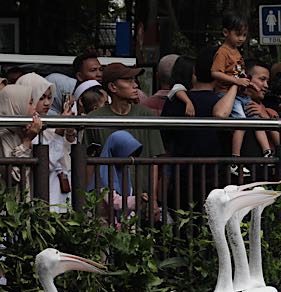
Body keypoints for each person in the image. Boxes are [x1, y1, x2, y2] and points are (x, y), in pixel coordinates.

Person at [85, 63, 165, 211]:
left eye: (134, 80)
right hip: (107, 201)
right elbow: (89, 162)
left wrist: (153, 199)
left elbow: (153, 159)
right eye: (128, 81)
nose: (135, 85)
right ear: (112, 87)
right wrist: (89, 202)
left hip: (142, 197)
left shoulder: (146, 115)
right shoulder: (94, 119)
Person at [161, 49, 231, 211]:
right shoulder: (225, 105)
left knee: (182, 222)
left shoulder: (177, 102)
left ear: (194, 72)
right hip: (217, 180)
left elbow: (164, 136)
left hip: (181, 178)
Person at [211, 12, 272, 174]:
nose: (241, 39)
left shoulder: (237, 53)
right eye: (238, 34)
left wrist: (250, 84)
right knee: (241, 122)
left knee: (256, 119)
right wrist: (236, 82)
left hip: (239, 93)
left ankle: (267, 152)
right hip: (226, 94)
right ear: (226, 32)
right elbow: (215, 73)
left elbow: (241, 75)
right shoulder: (222, 52)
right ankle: (235, 160)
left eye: (244, 35)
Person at [17, 73, 78, 211]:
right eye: (41, 98)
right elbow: (47, 162)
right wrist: (60, 129)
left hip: (59, 193)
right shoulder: (27, 127)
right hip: (42, 196)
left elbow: (66, 155)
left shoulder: (48, 122)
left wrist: (69, 131)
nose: (47, 103)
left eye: (50, 98)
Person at [0, 84, 41, 190]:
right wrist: (26, 142)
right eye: (30, 103)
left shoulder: (19, 131)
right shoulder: (4, 134)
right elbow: (14, 177)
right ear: (17, 104)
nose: (34, 108)